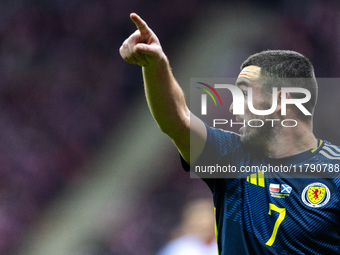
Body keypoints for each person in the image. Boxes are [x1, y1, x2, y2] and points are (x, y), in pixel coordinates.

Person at [119, 13, 340, 255]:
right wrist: (154, 65)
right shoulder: (231, 158)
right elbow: (178, 120)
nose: (234, 108)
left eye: (245, 94)